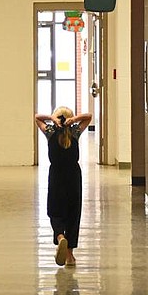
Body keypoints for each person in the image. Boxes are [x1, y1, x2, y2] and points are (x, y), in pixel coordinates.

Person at [35, 107, 93, 267]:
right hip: (73, 176)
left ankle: (60, 237)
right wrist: (73, 120)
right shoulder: (75, 132)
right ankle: (69, 255)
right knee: (73, 213)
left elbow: (37, 117)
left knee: (55, 209)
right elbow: (88, 117)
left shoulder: (50, 131)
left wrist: (52, 119)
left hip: (56, 175)